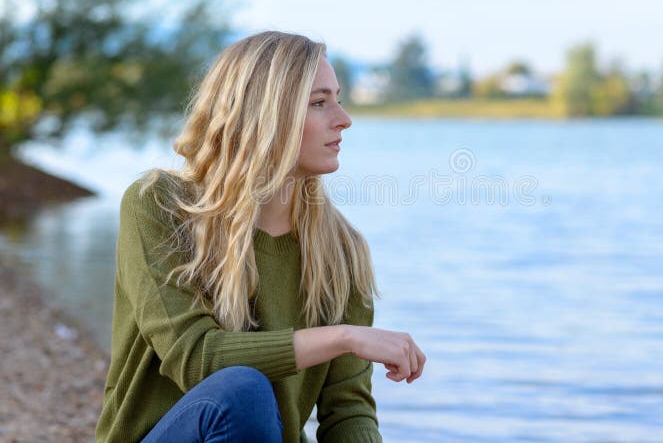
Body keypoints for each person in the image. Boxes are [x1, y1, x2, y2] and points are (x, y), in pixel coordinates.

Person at [95, 31, 426, 443]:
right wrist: (344, 337)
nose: (344, 118)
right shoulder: (160, 206)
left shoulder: (342, 250)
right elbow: (196, 358)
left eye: (338, 99)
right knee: (243, 391)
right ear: (264, 115)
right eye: (319, 103)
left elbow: (349, 412)